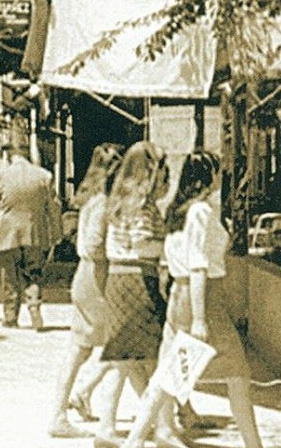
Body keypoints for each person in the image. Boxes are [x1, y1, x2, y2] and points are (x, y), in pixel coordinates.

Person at [122, 151, 264, 448]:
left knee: (168, 378)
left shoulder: (180, 211)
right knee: (236, 374)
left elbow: (172, 257)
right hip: (203, 299)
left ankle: (134, 442)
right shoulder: (200, 211)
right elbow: (198, 263)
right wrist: (200, 318)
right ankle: (254, 445)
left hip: (181, 295)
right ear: (207, 176)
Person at [94, 141, 182, 448]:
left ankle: (107, 427)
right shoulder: (142, 207)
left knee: (122, 360)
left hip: (118, 280)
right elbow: (143, 244)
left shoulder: (118, 201)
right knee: (160, 358)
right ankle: (163, 428)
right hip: (137, 280)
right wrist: (173, 247)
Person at [49, 143, 124, 438]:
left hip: (88, 278)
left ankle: (76, 398)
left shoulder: (92, 199)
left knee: (90, 348)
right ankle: (66, 412)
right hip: (97, 279)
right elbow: (93, 245)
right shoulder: (103, 203)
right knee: (109, 347)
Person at [0, 143, 62, 331]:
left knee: (10, 276)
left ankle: (11, 317)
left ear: (9, 157)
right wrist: (57, 234)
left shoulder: (0, 176)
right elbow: (54, 207)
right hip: (34, 233)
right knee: (33, 273)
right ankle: (34, 307)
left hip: (8, 235)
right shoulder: (44, 176)